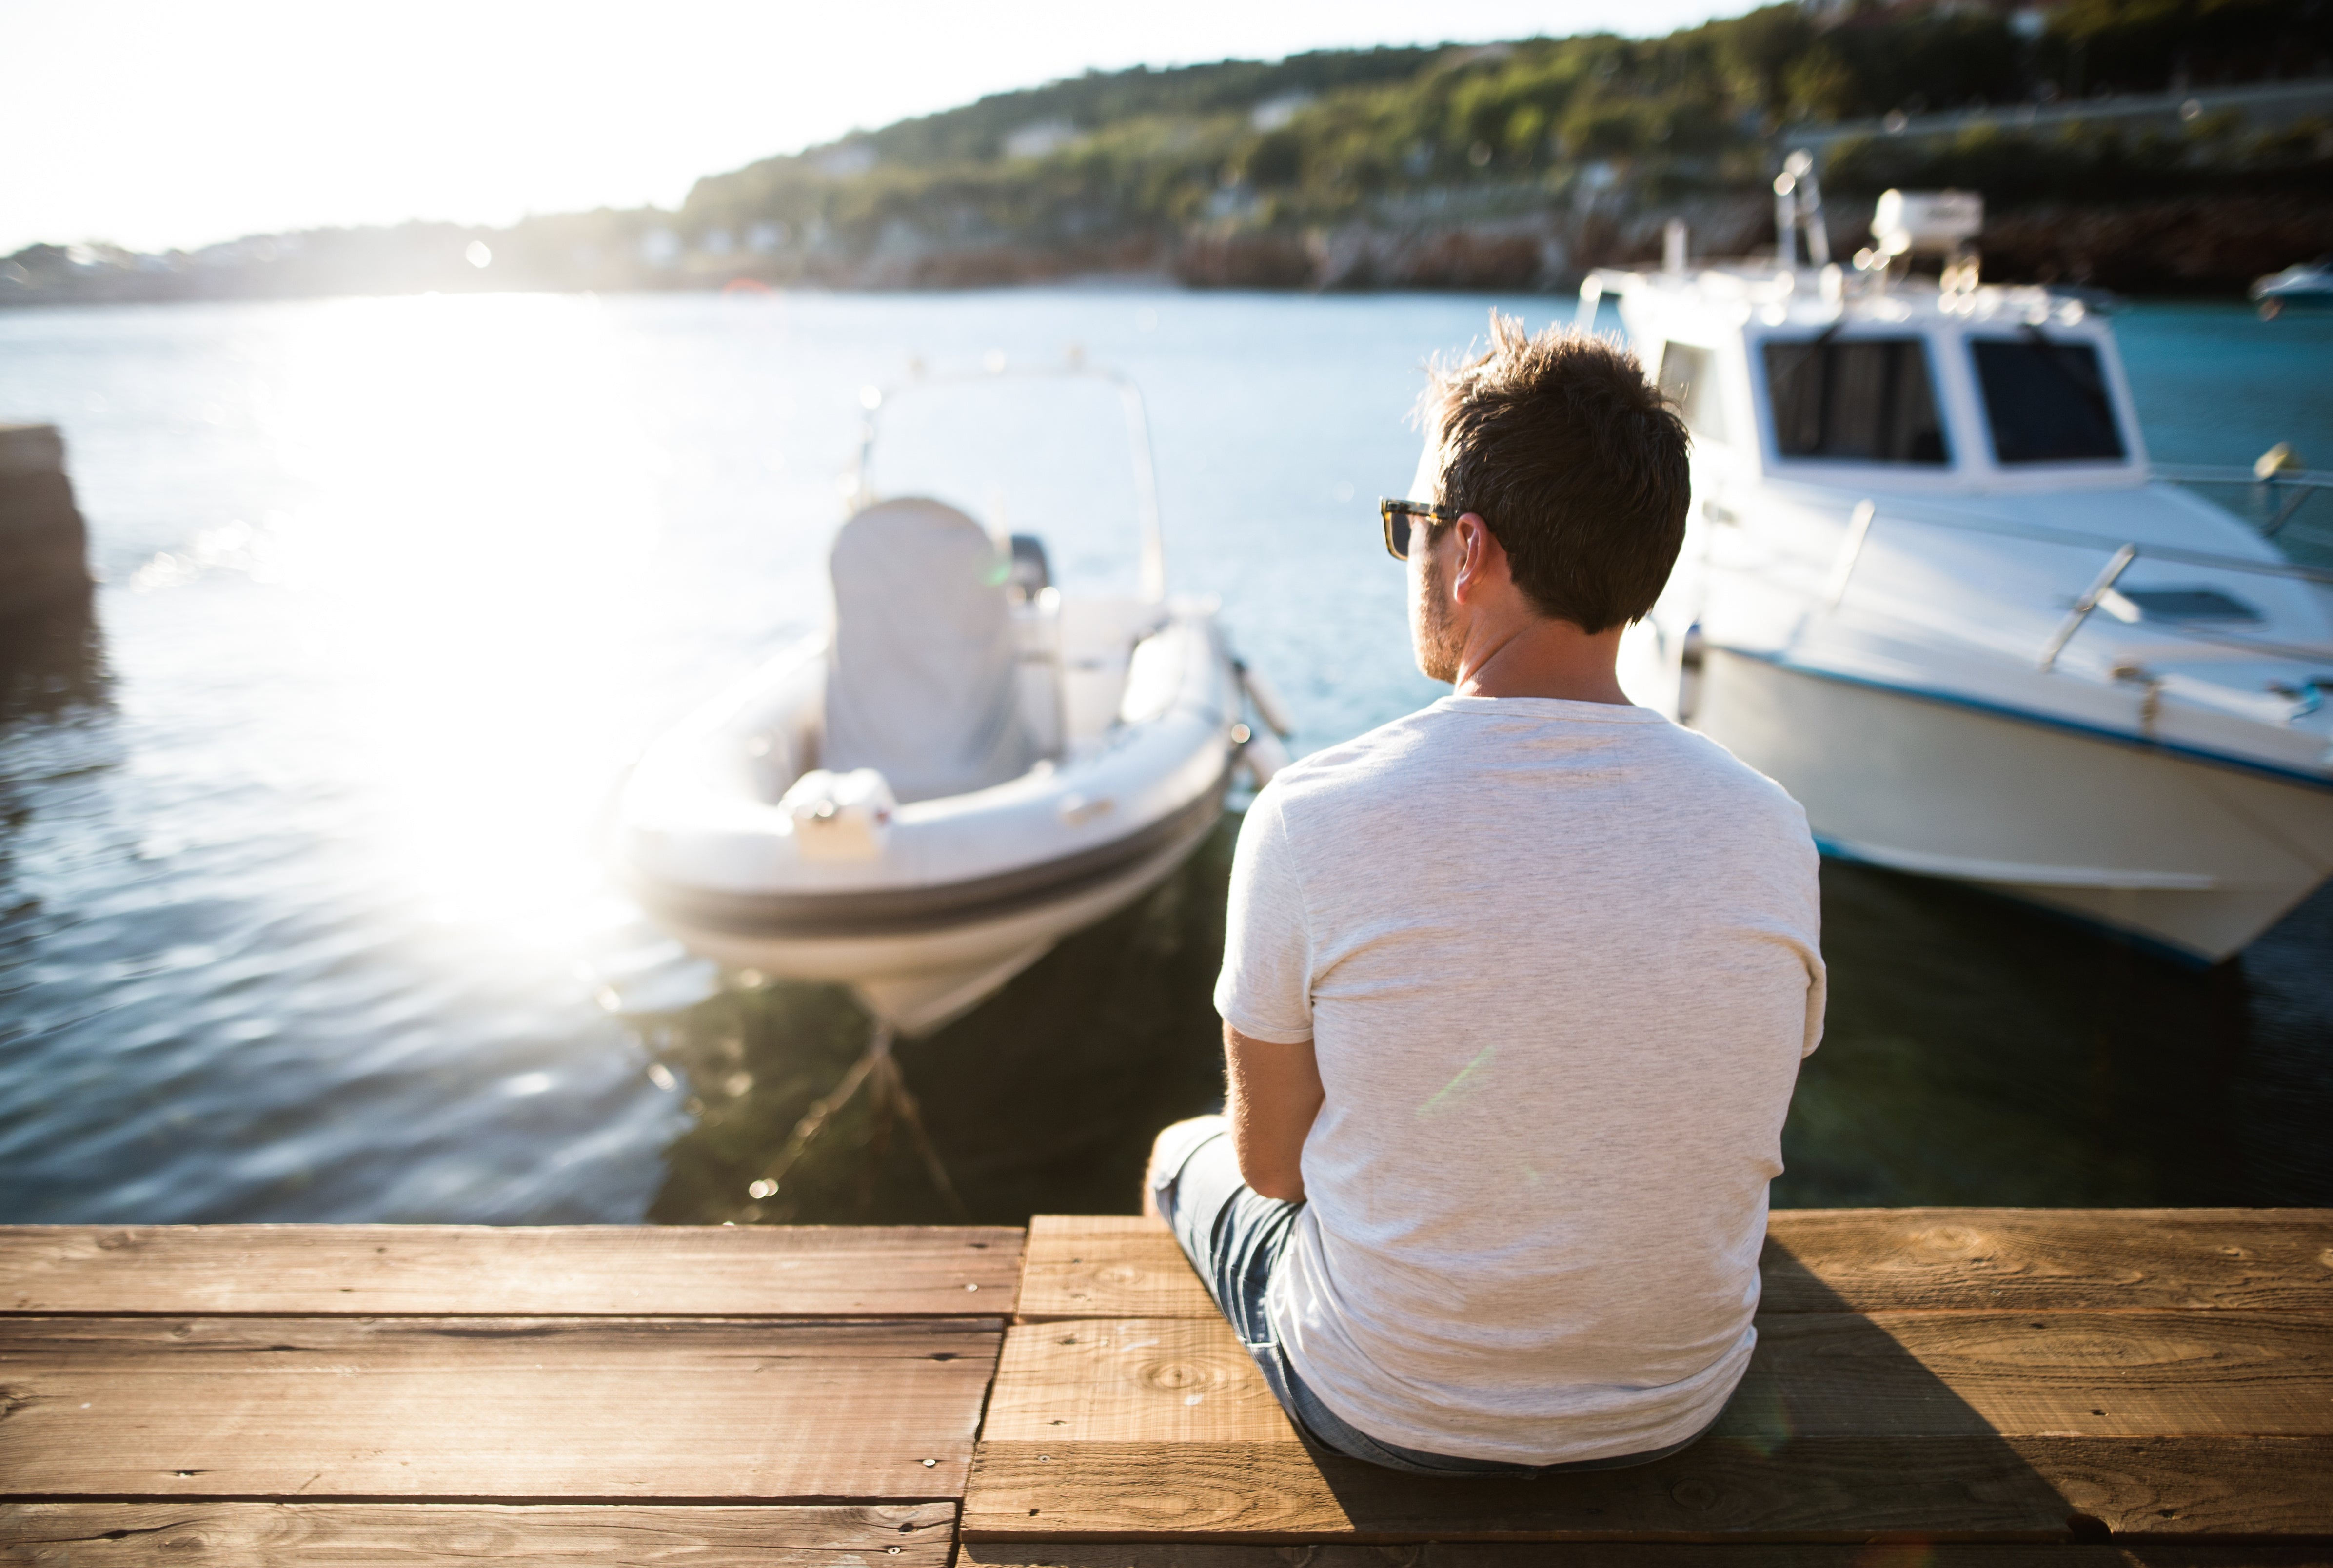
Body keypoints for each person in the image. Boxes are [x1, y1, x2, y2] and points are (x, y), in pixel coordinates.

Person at [1145, 313, 1825, 1477]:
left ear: (1469, 553)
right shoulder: (1769, 825)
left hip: (1390, 1406)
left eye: (1408, 530)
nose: (1408, 558)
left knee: (1180, 1154)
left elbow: (1272, 1170)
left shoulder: (1313, 817)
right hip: (1679, 1405)